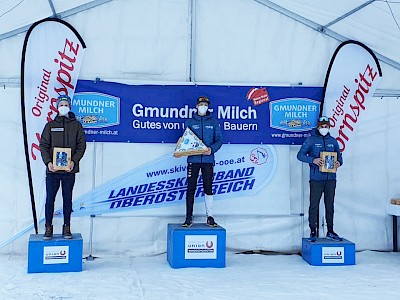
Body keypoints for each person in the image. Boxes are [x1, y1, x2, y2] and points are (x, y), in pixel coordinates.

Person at [40, 94, 86, 240]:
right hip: (53, 171)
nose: (63, 107)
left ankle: (67, 227)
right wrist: (48, 162)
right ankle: (48, 227)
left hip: (69, 171)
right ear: (57, 107)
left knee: (67, 199)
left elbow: (81, 145)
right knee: (49, 200)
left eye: (66, 105)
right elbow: (43, 145)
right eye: (61, 105)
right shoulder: (50, 125)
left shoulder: (77, 125)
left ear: (69, 107)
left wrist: (74, 161)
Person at [175, 96, 223, 227]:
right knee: (191, 188)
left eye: (205, 105)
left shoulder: (213, 122)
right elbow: (185, 140)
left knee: (208, 188)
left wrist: (211, 150)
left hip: (208, 160)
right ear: (196, 106)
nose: (203, 107)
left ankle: (210, 216)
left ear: (208, 107)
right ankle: (188, 218)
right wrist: (180, 144)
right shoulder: (189, 122)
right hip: (193, 160)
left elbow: (219, 140)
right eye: (201, 104)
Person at [297, 116, 343, 242]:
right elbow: (300, 155)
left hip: (331, 179)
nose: (324, 128)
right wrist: (313, 160)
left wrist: (338, 163)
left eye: (326, 126)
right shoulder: (311, 140)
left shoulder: (333, 141)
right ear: (318, 127)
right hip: (316, 179)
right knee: (314, 205)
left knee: (330, 205)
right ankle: (313, 231)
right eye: (322, 126)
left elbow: (340, 157)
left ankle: (331, 231)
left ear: (329, 127)